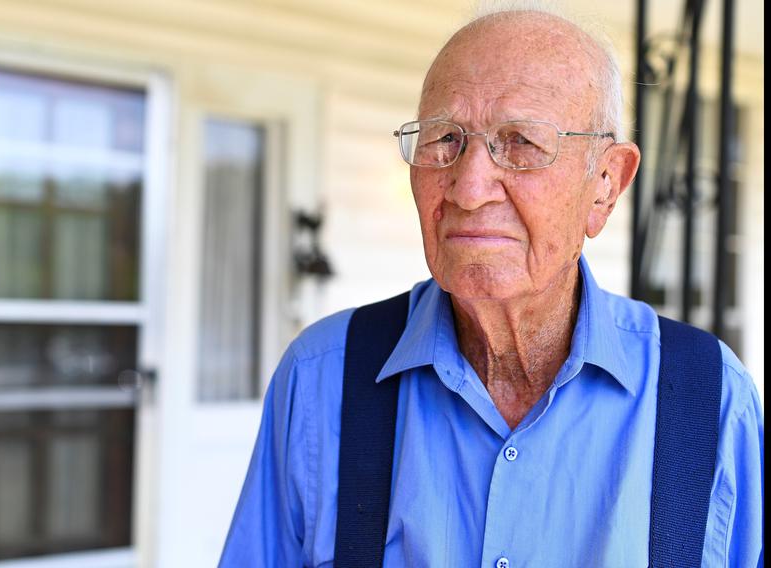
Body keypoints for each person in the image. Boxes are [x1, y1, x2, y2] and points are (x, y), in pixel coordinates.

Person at [219, 7, 763, 568]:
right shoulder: (321, 376)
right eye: (444, 140)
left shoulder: (709, 398)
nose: (470, 187)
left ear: (605, 184)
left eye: (522, 142)